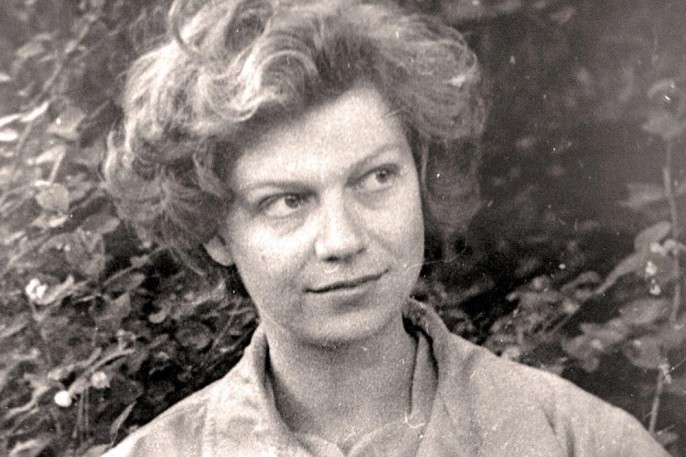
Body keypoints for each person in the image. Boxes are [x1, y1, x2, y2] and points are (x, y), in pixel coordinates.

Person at [102, 0, 669, 455]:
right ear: (215, 232)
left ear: (421, 174)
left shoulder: (584, 442)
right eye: (286, 202)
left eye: (375, 178)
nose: (343, 240)